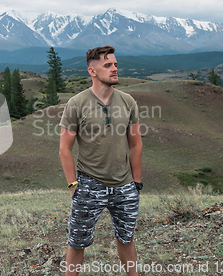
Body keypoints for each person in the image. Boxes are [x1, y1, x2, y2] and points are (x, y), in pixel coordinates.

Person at [59, 45, 143, 276]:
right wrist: (73, 185)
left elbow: (136, 144)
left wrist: (136, 183)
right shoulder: (76, 104)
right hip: (89, 184)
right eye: (108, 65)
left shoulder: (128, 102)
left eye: (115, 64)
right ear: (92, 71)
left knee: (126, 237)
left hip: (124, 185)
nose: (115, 69)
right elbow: (64, 148)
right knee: (77, 241)